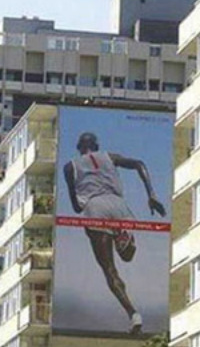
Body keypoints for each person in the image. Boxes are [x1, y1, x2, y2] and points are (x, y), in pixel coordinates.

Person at [63, 132, 166, 334]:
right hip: (119, 205)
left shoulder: (70, 167)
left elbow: (76, 207)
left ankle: (133, 314)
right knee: (127, 256)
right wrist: (151, 195)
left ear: (78, 148)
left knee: (109, 269)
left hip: (95, 208)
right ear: (97, 146)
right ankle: (121, 234)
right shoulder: (110, 156)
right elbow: (139, 164)